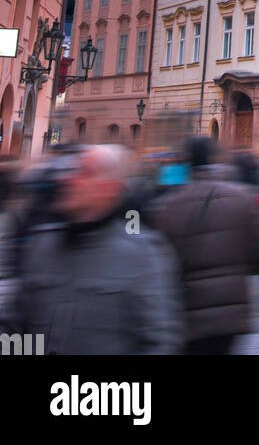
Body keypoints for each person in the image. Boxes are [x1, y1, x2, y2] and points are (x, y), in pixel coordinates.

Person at [5, 144, 182, 354]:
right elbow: (16, 327)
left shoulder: (143, 255)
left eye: (84, 173)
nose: (67, 179)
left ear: (108, 188)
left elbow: (159, 343)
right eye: (71, 170)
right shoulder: (42, 245)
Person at [151, 135, 259, 355]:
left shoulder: (167, 206)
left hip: (186, 311)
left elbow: (158, 266)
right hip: (230, 313)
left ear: (187, 162)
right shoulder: (244, 197)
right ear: (215, 159)